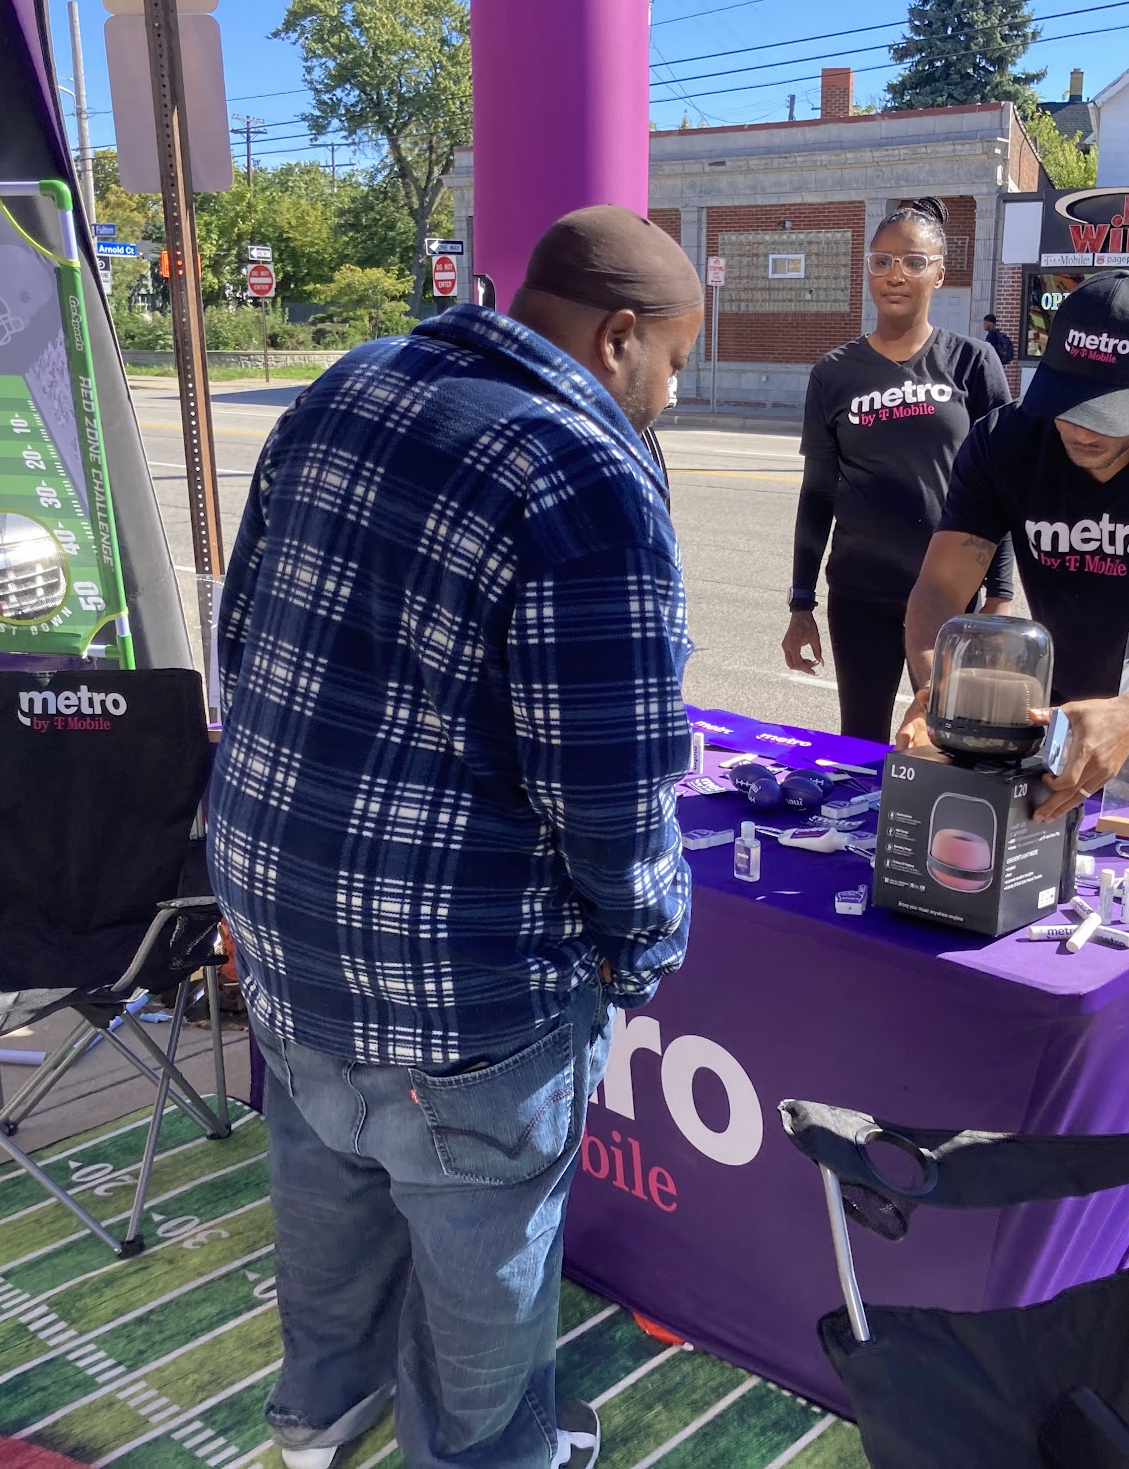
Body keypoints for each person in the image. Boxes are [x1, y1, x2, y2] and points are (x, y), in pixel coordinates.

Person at [208, 205, 703, 1469]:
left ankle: (318, 1416)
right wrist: (644, 942)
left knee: (327, 1185)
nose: (672, 394)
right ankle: (482, 1454)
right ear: (620, 337)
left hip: (283, 918)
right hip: (462, 978)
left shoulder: (351, 381)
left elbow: (242, 634)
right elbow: (611, 788)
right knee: (484, 1258)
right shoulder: (583, 476)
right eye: (674, 361)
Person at [897, 269, 1129, 822]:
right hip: (1051, 713)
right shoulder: (1006, 441)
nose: (1079, 429)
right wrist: (938, 689)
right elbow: (940, 586)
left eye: (1105, 412)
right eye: (1067, 401)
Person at [781, 197, 1018, 741]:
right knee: (860, 742)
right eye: (882, 261)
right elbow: (817, 494)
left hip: (951, 598)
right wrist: (801, 603)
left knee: (947, 741)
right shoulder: (834, 373)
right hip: (860, 595)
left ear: (940, 273)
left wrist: (1000, 594)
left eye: (914, 262)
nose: (896, 275)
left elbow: (1001, 487)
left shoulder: (972, 363)